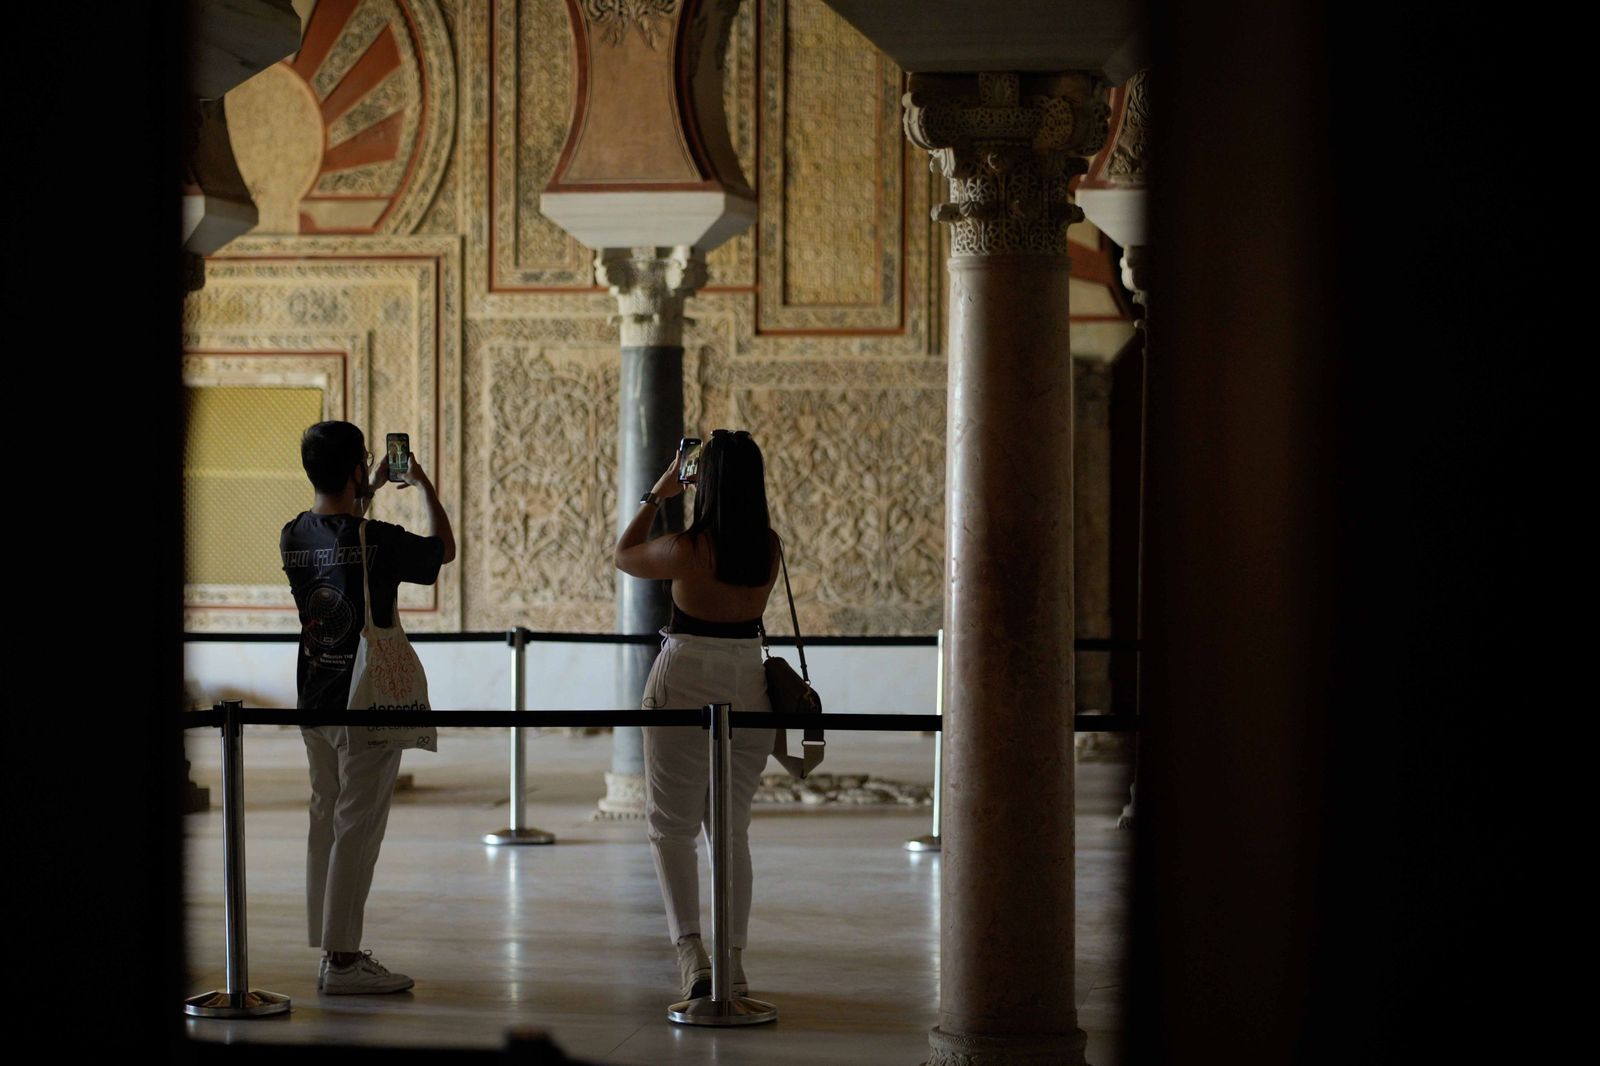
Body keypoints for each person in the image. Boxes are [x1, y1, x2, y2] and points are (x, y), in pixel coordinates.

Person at [280, 421, 455, 994]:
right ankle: (346, 961)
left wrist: (365, 490)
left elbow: (339, 536)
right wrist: (422, 484)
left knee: (324, 821)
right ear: (357, 468)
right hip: (365, 699)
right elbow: (442, 551)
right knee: (358, 826)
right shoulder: (379, 539)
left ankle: (329, 948)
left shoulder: (292, 535)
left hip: (314, 696)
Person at [615, 429, 780, 1001]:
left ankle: (692, 956)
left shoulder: (687, 548)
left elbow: (623, 554)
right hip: (748, 677)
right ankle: (732, 961)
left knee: (671, 827)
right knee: (731, 830)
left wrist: (657, 494)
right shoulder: (770, 546)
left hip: (685, 675)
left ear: (702, 482)